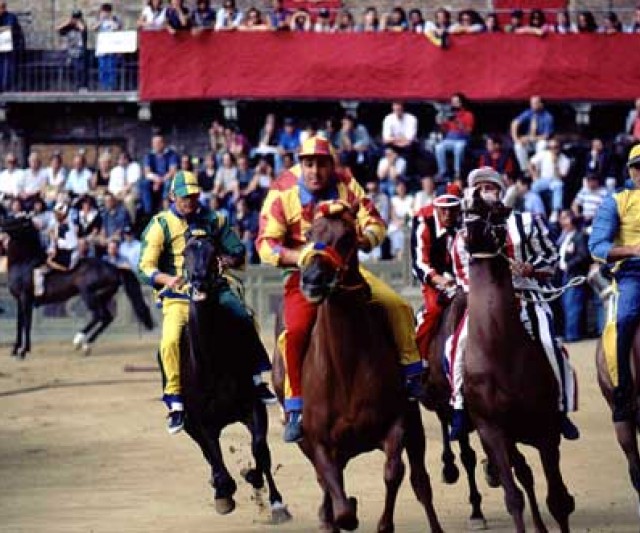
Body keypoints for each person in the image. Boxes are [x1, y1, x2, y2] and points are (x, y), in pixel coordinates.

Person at [256, 135, 425, 443]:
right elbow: (265, 244)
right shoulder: (282, 190)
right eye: (309, 164)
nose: (315, 171)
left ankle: (412, 374)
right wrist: (300, 256)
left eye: (321, 164)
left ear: (330, 165)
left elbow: (375, 222)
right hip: (304, 275)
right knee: (293, 333)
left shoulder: (346, 182)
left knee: (398, 305)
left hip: (346, 270)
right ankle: (294, 408)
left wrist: (361, 240)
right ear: (300, 164)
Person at [138, 170, 275, 434]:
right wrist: (168, 280)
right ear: (172, 196)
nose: (190, 201)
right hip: (179, 297)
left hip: (216, 289)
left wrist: (227, 259)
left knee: (244, 317)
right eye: (184, 197)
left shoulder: (215, 220)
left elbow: (238, 251)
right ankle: (175, 401)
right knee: (169, 340)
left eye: (194, 196)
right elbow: (144, 268)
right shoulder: (160, 224)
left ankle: (256, 377)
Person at [448, 167, 579, 441]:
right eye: (479, 187)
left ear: (500, 191)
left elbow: (551, 258)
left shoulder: (528, 221)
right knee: (455, 346)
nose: (485, 192)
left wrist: (532, 268)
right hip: (485, 303)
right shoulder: (465, 233)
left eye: (490, 186)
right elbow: (462, 272)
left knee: (548, 342)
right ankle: (459, 406)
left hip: (527, 296)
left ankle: (560, 407)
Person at [589, 144, 640, 424]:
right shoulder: (616, 201)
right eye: (638, 167)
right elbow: (597, 246)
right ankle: (623, 391)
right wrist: (632, 250)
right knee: (627, 315)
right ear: (631, 170)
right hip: (633, 273)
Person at [411, 192, 461, 360]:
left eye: (452, 210)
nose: (448, 215)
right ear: (436, 208)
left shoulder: (462, 225)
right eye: (444, 210)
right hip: (432, 277)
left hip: (459, 276)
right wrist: (438, 278)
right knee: (433, 310)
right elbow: (419, 262)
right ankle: (417, 357)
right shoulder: (423, 224)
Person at [33, 201, 79, 297]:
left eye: (58, 214)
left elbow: (69, 244)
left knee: (39, 270)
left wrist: (54, 241)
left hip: (69, 256)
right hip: (63, 252)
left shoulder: (66, 226)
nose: (55, 215)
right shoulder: (58, 225)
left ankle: (39, 294)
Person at [434, 93, 475, 181]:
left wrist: (457, 122)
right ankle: (443, 171)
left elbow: (468, 131)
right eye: (453, 102)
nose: (454, 104)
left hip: (462, 139)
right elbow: (444, 130)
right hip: (449, 139)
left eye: (456, 102)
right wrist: (440, 122)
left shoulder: (468, 115)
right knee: (438, 147)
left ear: (461, 103)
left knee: (459, 147)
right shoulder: (448, 114)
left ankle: (458, 172)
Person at [510, 95, 555, 173]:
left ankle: (536, 169)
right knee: (518, 146)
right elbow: (515, 123)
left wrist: (530, 138)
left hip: (540, 140)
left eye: (535, 103)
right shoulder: (529, 113)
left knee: (542, 144)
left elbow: (546, 136)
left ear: (541, 104)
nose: (532, 105)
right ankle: (526, 171)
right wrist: (516, 139)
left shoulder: (548, 117)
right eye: (532, 103)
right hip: (529, 141)